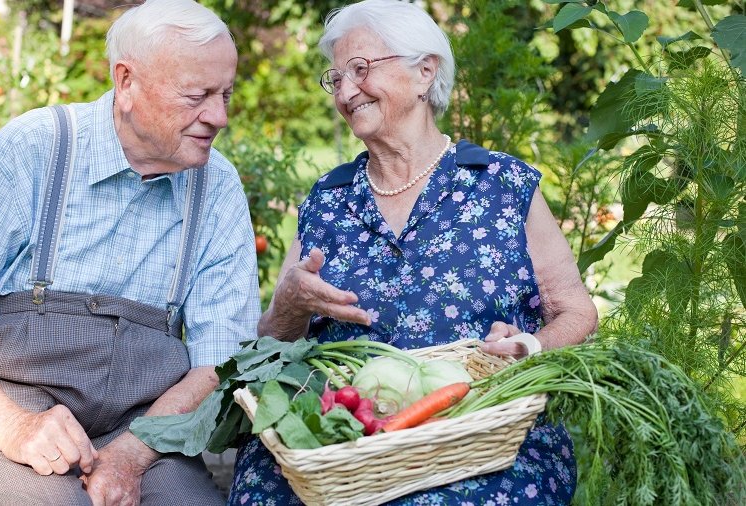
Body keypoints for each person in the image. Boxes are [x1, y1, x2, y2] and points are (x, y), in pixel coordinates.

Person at [0, 1, 260, 504]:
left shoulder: (217, 187)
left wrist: (131, 454)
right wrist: (16, 429)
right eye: (197, 96)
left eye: (226, 95)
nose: (218, 116)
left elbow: (220, 361)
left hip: (144, 430)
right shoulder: (34, 149)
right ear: (126, 82)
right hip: (7, 409)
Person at [227, 1, 598, 504]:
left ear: (425, 71)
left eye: (359, 70)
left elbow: (575, 311)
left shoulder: (502, 185)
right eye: (335, 78)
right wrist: (288, 305)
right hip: (344, 447)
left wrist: (530, 349)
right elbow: (272, 342)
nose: (345, 91)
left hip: (477, 438)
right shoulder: (328, 199)